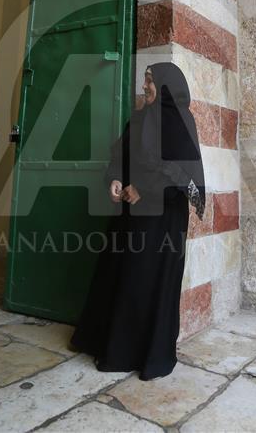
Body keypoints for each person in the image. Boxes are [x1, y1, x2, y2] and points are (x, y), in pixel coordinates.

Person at [70, 62, 205, 380]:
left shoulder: (181, 121)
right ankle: (115, 347)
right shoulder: (140, 118)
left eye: (150, 81)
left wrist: (143, 188)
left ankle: (147, 354)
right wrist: (115, 179)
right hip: (129, 217)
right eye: (145, 80)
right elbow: (119, 155)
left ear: (166, 87)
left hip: (162, 223)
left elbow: (184, 177)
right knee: (122, 278)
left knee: (147, 283)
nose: (144, 86)